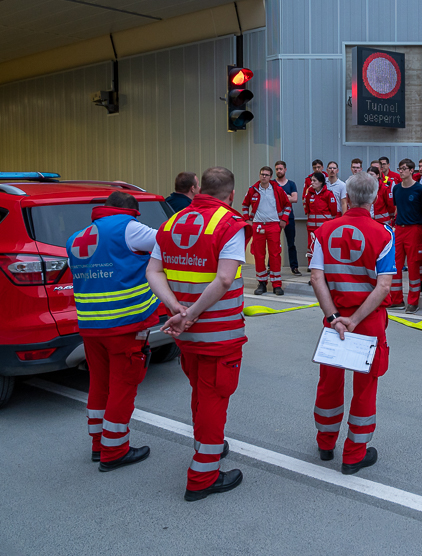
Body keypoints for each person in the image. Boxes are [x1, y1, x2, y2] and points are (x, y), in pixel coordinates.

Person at [146, 166, 249, 501]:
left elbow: (153, 271)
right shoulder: (229, 223)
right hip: (218, 332)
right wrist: (191, 313)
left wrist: (176, 308)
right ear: (231, 194)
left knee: (201, 394)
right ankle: (203, 476)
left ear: (199, 189)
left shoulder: (171, 222)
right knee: (214, 399)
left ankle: (208, 445)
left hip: (185, 333)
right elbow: (224, 279)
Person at [310, 172, 396, 475]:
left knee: (329, 382)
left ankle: (325, 443)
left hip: (334, 320)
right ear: (374, 199)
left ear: (346, 197)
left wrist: (334, 318)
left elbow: (316, 277)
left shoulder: (324, 230)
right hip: (367, 321)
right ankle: (354, 454)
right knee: (365, 387)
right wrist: (355, 319)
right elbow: (384, 286)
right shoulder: (384, 234)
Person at [67, 191, 159, 471]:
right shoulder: (129, 228)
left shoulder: (76, 237)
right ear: (131, 211)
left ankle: (98, 445)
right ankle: (115, 450)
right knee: (123, 385)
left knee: (99, 383)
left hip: (90, 326)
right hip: (125, 324)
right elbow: (169, 243)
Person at [242, 166, 291, 296]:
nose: (264, 176)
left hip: (273, 225)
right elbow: (245, 205)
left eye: (266, 175)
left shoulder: (277, 190)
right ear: (259, 175)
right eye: (262, 174)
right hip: (258, 226)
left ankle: (276, 284)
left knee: (275, 255)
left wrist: (284, 220)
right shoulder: (253, 190)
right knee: (258, 255)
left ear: (270, 177)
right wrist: (247, 220)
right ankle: (262, 283)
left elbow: (287, 205)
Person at [389, 159, 422, 313]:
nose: (401, 171)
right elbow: (397, 208)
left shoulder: (420, 189)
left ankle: (413, 302)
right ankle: (396, 300)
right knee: (395, 265)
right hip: (399, 229)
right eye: (400, 168)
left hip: (414, 230)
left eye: (404, 168)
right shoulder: (396, 189)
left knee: (413, 265)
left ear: (412, 170)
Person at [274, 161, 302, 276]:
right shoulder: (272, 184)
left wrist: (281, 198)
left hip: (288, 217)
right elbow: (271, 199)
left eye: (280, 169)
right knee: (274, 243)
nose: (279, 171)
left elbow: (295, 199)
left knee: (291, 243)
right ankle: (271, 266)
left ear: (285, 170)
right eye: (277, 169)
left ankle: (294, 267)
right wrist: (287, 197)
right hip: (274, 218)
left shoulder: (291, 184)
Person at [304, 171, 340, 259]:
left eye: (314, 181)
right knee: (311, 247)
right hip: (311, 227)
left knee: (324, 247)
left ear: (321, 182)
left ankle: (325, 264)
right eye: (311, 180)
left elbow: (333, 211)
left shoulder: (328, 194)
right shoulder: (309, 194)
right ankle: (311, 264)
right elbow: (307, 208)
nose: (311, 183)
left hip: (324, 227)